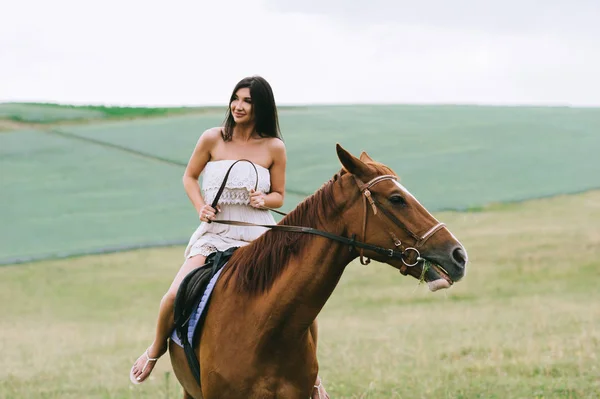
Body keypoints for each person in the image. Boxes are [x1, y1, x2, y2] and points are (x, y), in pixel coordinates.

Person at [129, 75, 329, 399]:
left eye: (247, 101)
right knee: (173, 293)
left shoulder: (274, 147)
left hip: (258, 235)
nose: (238, 106)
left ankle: (313, 377)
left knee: (297, 301)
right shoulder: (212, 139)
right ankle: (154, 351)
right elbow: (190, 177)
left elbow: (279, 193)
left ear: (261, 106)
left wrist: (264, 200)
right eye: (236, 98)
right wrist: (201, 206)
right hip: (216, 232)